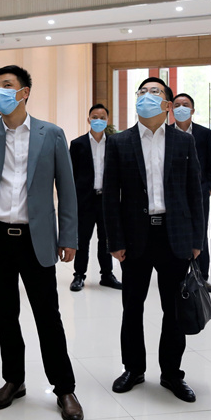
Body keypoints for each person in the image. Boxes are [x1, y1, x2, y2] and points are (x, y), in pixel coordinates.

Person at [0, 66, 83, 420]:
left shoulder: (51, 134)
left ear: (24, 92)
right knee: (5, 314)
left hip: (36, 238)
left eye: (6, 85)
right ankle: (14, 380)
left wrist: (69, 237)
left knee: (47, 316)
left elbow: (67, 188)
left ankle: (64, 388)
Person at [104, 77, 204, 403]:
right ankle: (133, 369)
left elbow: (194, 193)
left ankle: (172, 373)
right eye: (142, 92)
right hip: (135, 238)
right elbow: (111, 197)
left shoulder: (183, 141)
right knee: (132, 307)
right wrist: (115, 241)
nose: (146, 96)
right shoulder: (119, 142)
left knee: (173, 309)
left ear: (167, 105)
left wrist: (197, 239)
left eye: (155, 92)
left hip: (174, 236)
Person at [68, 104, 121, 291]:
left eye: (102, 117)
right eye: (95, 117)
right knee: (82, 239)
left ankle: (107, 275)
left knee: (106, 239)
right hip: (85, 200)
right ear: (88, 119)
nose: (98, 120)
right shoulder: (78, 144)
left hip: (106, 200)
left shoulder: (114, 143)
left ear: (107, 120)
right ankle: (79, 275)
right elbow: (71, 174)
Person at [173, 93, 211, 293]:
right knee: (177, 232)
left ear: (192, 110)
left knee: (200, 233)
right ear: (171, 109)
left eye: (185, 105)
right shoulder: (167, 133)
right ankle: (179, 275)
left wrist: (208, 188)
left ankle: (201, 277)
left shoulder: (203, 133)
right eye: (177, 105)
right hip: (175, 194)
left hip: (200, 192)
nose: (181, 108)